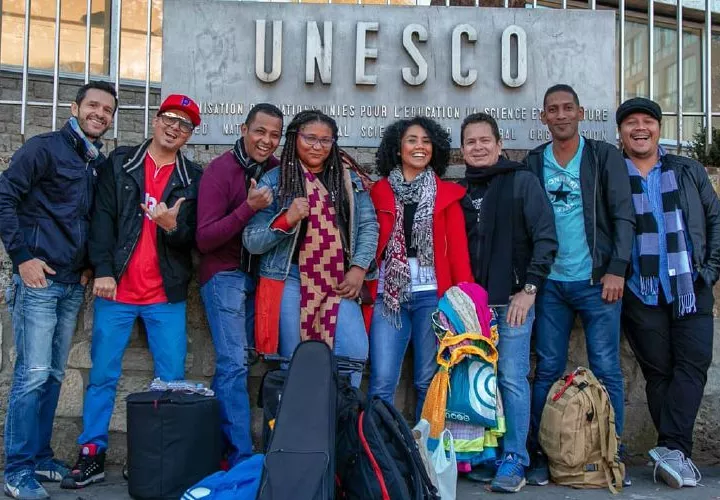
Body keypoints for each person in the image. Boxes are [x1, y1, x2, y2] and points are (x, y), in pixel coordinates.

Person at [60, 94, 203, 489]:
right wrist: (104, 270)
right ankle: (91, 453)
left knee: (171, 382)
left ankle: (156, 458)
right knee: (103, 376)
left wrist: (173, 227)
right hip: (117, 292)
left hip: (165, 295)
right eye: (170, 118)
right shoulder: (121, 162)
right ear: (155, 120)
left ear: (190, 135)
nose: (174, 127)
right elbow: (101, 219)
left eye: (184, 124)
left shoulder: (194, 177)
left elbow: (193, 238)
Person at [0, 82, 117, 500]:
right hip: (39, 282)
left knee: (51, 376)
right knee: (31, 376)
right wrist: (22, 257)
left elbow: (87, 220)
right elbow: (4, 197)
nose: (99, 114)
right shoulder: (44, 148)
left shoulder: (95, 162)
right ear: (74, 108)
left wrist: (87, 266)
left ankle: (39, 457)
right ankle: (16, 470)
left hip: (70, 284)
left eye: (107, 110)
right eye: (93, 106)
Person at [524, 84, 635, 486]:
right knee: (547, 369)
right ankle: (543, 455)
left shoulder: (604, 157)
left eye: (567, 108)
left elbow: (623, 215)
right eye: (553, 109)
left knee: (606, 369)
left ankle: (611, 454)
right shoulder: (534, 162)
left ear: (581, 112)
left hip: (597, 282)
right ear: (543, 117)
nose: (561, 115)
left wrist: (617, 268)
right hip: (550, 285)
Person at [617, 97, 720, 489]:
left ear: (659, 128)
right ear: (621, 132)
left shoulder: (687, 169)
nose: (640, 128)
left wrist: (710, 271)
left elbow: (714, 219)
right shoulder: (613, 172)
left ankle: (672, 449)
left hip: (690, 286)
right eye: (631, 123)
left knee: (693, 365)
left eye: (647, 121)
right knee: (658, 373)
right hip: (640, 291)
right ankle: (675, 456)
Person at [459, 113, 557, 493]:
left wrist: (529, 290)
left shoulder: (522, 182)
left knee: (512, 378)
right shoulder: (460, 192)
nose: (479, 147)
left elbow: (546, 238)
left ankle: (516, 458)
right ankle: (491, 456)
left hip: (513, 301)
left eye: (485, 140)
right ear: (462, 149)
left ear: (499, 145)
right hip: (474, 306)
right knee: (480, 380)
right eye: (471, 141)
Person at [243, 110, 378, 387]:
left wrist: (358, 269)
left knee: (353, 352)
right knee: (295, 360)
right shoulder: (274, 181)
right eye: (310, 138)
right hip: (290, 278)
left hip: (339, 279)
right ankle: (298, 414)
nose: (317, 146)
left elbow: (368, 226)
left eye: (325, 140)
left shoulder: (349, 181)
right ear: (295, 138)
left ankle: (339, 411)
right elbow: (252, 241)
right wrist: (286, 219)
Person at [367, 116, 473, 420]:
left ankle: (426, 445)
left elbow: (458, 253)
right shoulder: (378, 192)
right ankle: (378, 443)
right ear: (398, 148)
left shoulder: (447, 195)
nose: (420, 146)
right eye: (412, 140)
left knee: (428, 380)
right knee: (382, 380)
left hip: (432, 295)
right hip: (388, 296)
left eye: (426, 141)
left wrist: (465, 301)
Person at [196, 103, 283, 467]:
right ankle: (241, 457)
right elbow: (204, 239)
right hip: (224, 275)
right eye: (260, 131)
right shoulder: (220, 170)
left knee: (244, 362)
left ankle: (220, 449)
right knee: (233, 363)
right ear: (244, 129)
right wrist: (248, 207)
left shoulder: (277, 171)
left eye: (275, 135)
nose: (266, 140)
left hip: (261, 279)